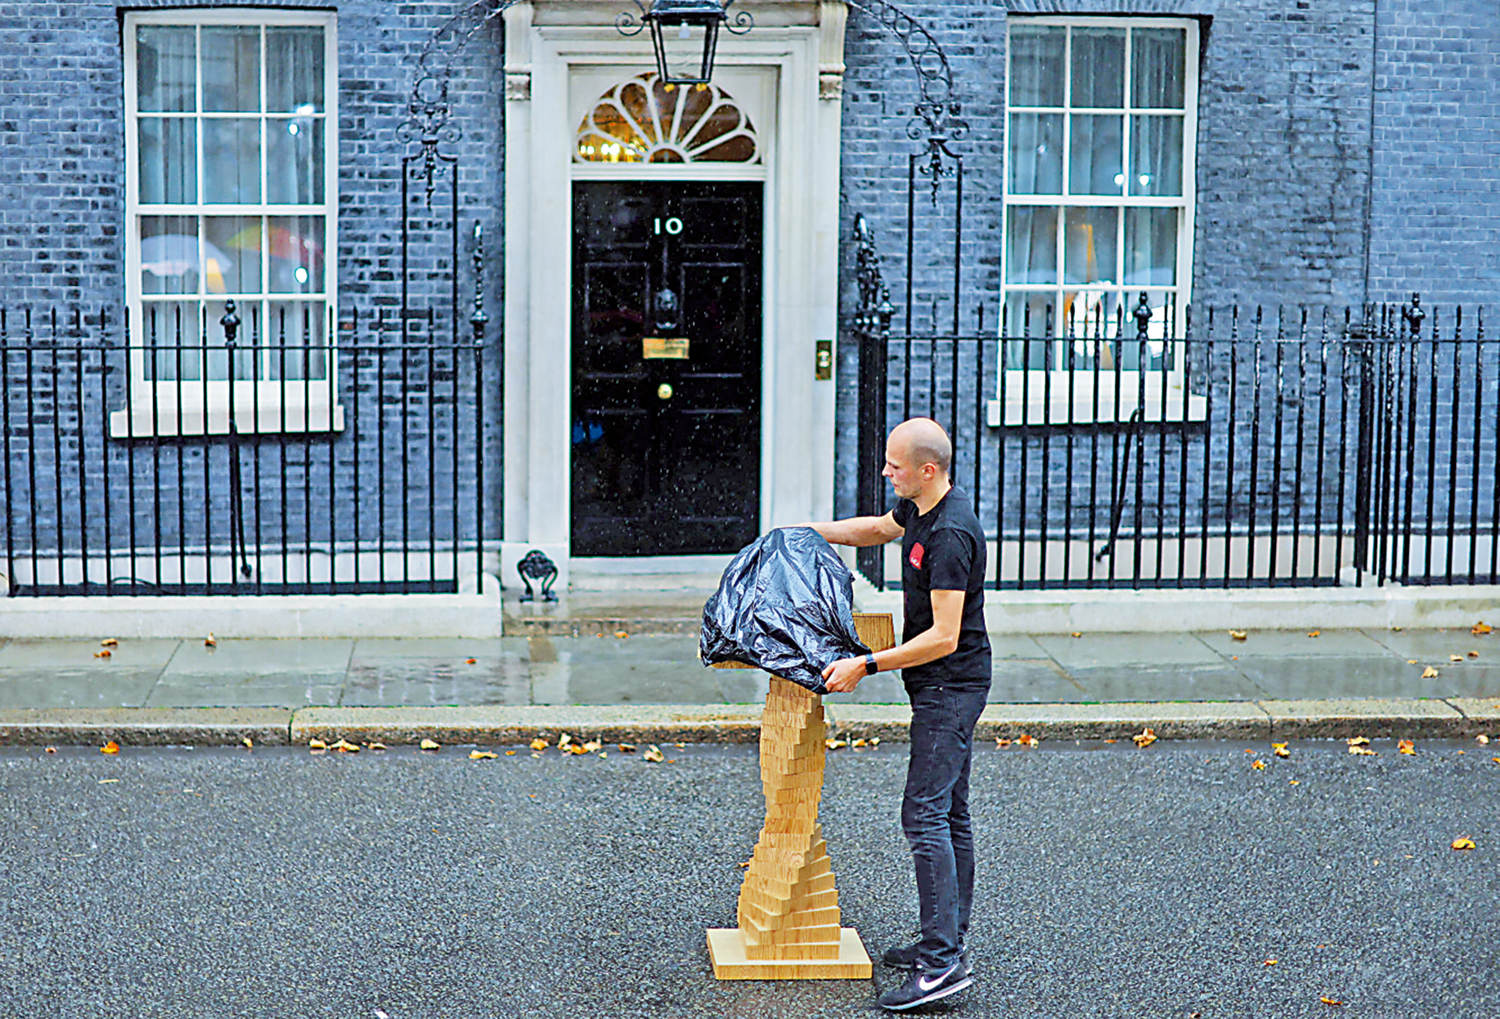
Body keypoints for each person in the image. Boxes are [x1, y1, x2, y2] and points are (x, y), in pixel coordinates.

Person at [801, 417, 991, 1012]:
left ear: (927, 470)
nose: (886, 473)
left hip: (950, 688)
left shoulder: (952, 535)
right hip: (938, 688)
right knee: (950, 814)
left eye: (895, 465)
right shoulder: (920, 510)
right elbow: (875, 529)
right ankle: (947, 942)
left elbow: (943, 635)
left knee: (925, 816)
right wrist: (810, 533)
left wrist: (867, 664)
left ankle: (940, 969)